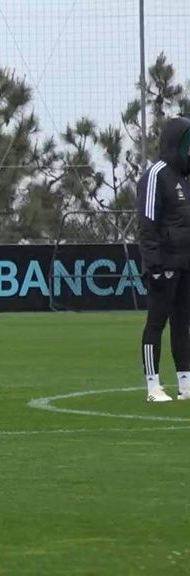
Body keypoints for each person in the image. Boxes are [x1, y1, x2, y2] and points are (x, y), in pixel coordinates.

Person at [137, 116, 190, 403]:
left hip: (185, 263)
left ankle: (186, 383)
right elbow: (147, 223)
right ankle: (153, 385)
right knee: (156, 323)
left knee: (183, 325)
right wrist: (153, 263)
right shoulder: (156, 175)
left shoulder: (185, 177)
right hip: (164, 264)